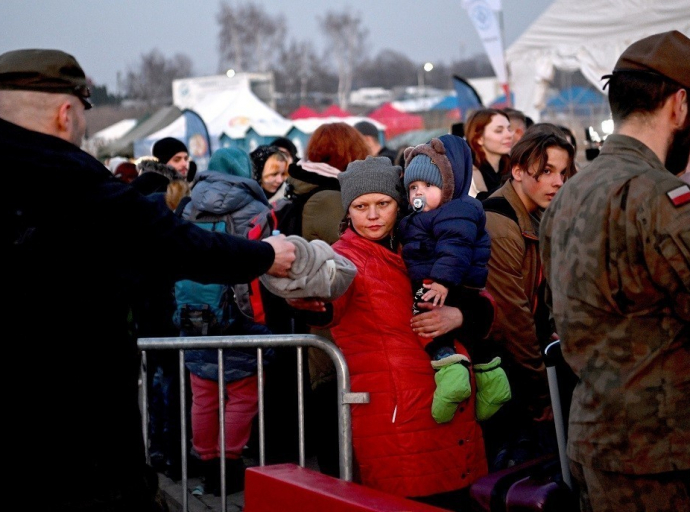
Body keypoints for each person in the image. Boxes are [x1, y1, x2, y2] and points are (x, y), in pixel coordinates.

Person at [1, 48, 296, 511]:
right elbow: (175, 243)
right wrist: (264, 254)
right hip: (74, 430)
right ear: (66, 113)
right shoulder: (72, 179)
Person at [539, 31, 690, 512]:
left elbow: (555, 313)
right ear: (679, 104)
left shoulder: (566, 196)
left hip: (596, 438)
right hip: (664, 454)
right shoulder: (661, 197)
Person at [289, 156, 489, 511]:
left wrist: (459, 315)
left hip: (451, 403)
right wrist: (307, 298)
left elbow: (484, 300)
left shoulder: (423, 244)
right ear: (347, 211)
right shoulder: (344, 258)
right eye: (360, 206)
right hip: (398, 418)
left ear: (399, 204)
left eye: (383, 203)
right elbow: (328, 297)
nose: (372, 215)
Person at [177, 146, 276, 496]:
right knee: (241, 395)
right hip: (241, 315)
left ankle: (206, 464)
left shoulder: (188, 205)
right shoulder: (257, 207)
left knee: (203, 395)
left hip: (193, 315)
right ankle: (230, 466)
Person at [479, 123, 575, 471]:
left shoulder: (537, 214)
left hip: (523, 362)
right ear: (518, 170)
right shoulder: (499, 221)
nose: (557, 181)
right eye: (546, 171)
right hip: (504, 370)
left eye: (563, 172)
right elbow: (513, 316)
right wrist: (540, 392)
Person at [397, 135, 509, 425]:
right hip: (458, 285)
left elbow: (455, 249)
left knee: (424, 320)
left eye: (428, 186)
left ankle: (449, 370)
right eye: (413, 188)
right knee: (472, 334)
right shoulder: (435, 214)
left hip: (446, 284)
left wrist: (442, 282)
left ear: (449, 184)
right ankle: (492, 379)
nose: (418, 194)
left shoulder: (454, 212)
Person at [464, 108, 513, 200]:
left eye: (509, 129)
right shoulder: (468, 173)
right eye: (499, 131)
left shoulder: (512, 166)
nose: (509, 135)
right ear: (479, 138)